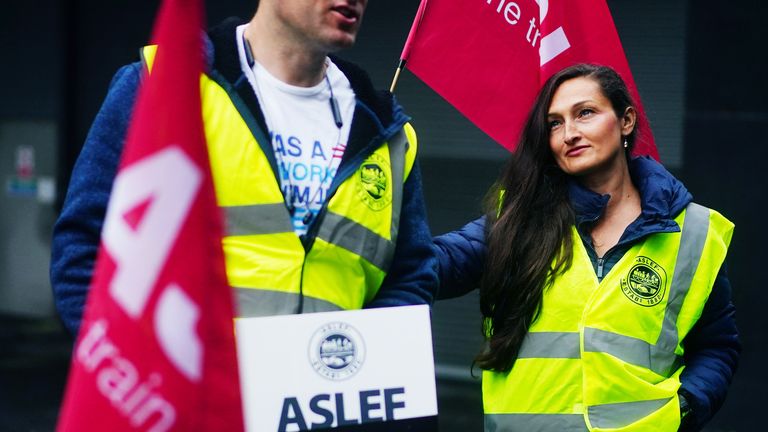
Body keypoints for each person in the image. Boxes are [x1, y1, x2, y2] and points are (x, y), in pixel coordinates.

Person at [51, 0, 437, 335]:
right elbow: (84, 252)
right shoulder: (165, 84)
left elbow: (410, 278)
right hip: (191, 412)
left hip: (325, 410)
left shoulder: (389, 134)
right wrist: (140, 383)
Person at [433, 64, 739, 431]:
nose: (570, 134)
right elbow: (438, 264)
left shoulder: (694, 232)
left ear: (626, 120)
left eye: (585, 113)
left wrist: (687, 407)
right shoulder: (518, 217)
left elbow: (717, 346)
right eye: (555, 123)